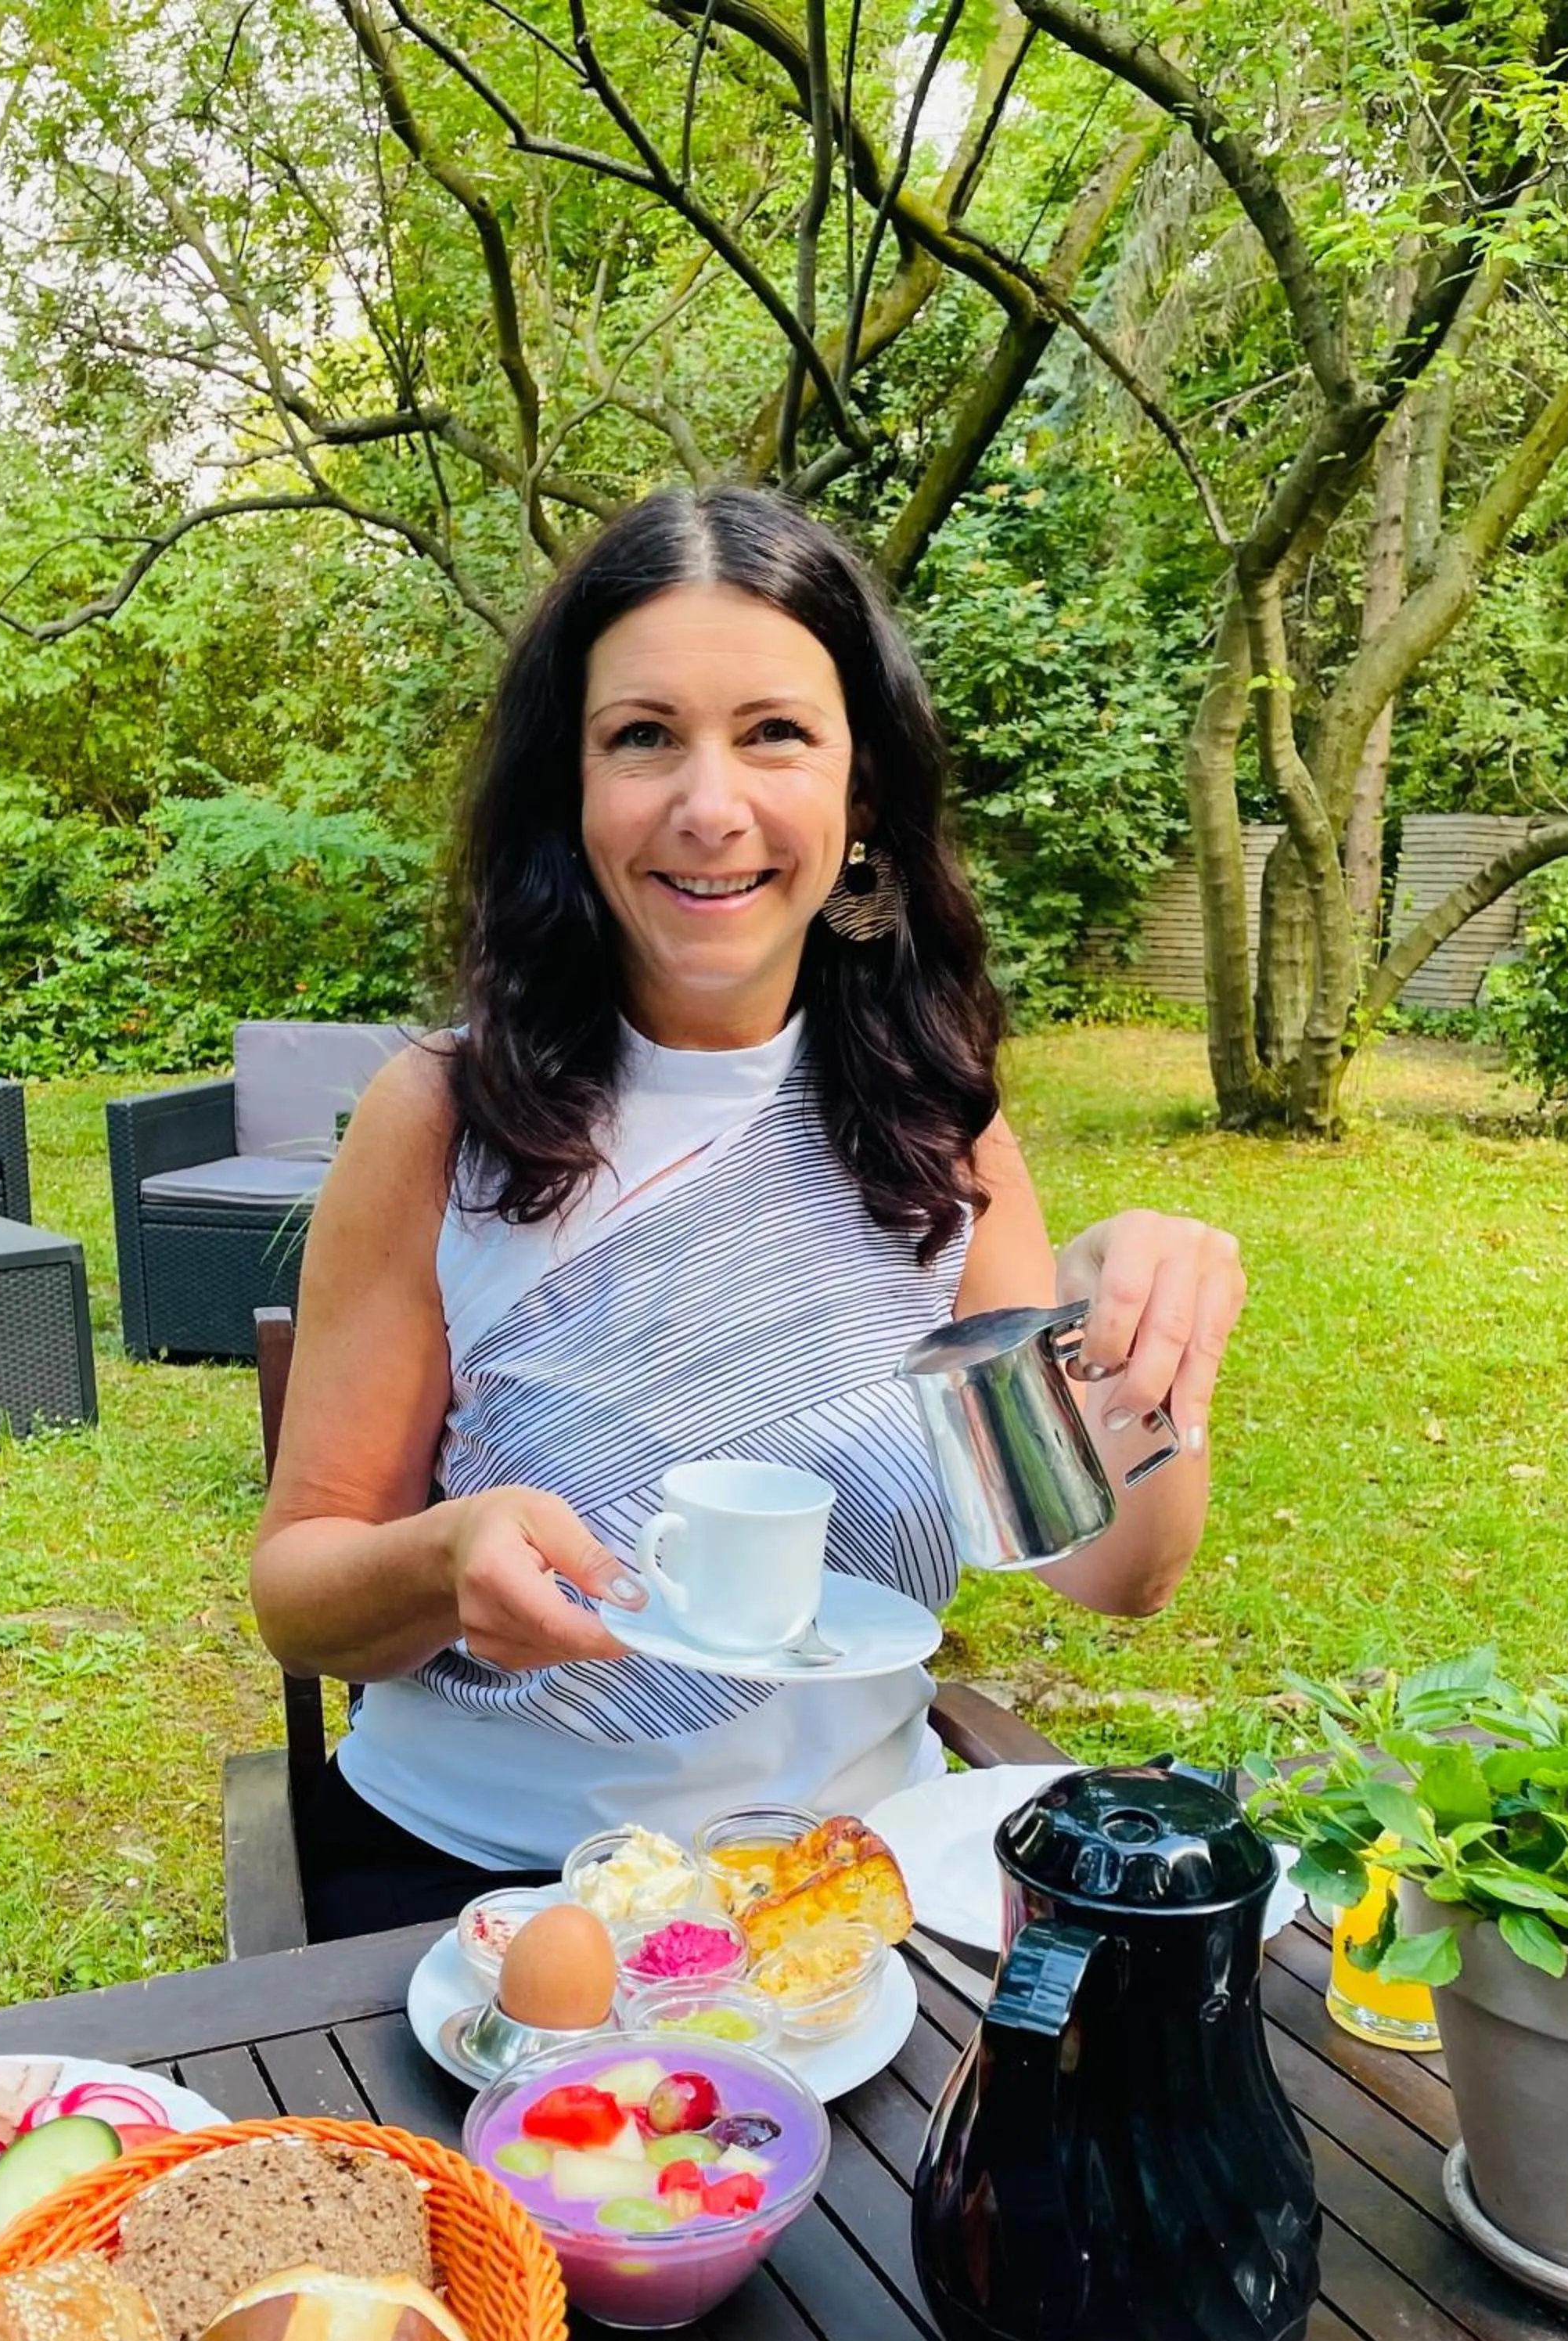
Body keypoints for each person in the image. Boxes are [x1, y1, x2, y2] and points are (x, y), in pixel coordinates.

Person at [251, 486, 1245, 1940]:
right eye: (642, 736)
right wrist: (439, 1560)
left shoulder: (939, 1134)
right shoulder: (440, 1119)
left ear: (862, 801)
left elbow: (1117, 1571)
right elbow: (301, 1588)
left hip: (841, 1894)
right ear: (570, 794)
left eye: (774, 732)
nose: (708, 805)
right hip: (470, 1894)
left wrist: (1127, 1343)